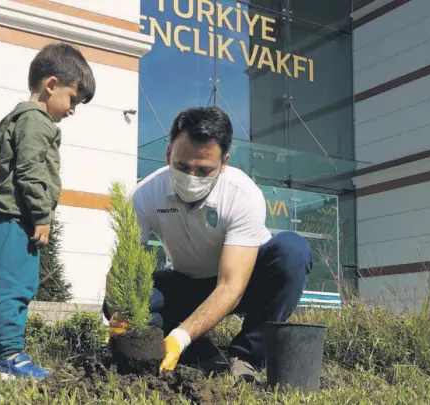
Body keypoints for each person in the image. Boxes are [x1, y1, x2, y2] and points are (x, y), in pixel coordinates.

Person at [104, 106, 312, 382]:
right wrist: (120, 308)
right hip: (186, 283)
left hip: (244, 282)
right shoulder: (145, 195)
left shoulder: (242, 195)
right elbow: (124, 269)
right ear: (168, 155)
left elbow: (230, 286)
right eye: (182, 166)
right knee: (126, 299)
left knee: (292, 252)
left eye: (204, 170)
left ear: (224, 162)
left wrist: (180, 335)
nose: (191, 177)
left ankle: (247, 355)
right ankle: (197, 352)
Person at [0, 42, 95, 380]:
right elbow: (31, 171)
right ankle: (9, 360)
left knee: (17, 287)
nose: (72, 109)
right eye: (72, 99)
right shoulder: (38, 121)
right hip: (14, 221)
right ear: (51, 85)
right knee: (14, 290)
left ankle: (11, 354)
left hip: (1, 220)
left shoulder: (17, 118)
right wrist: (43, 217)